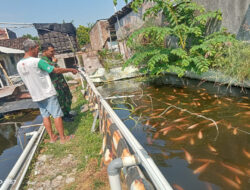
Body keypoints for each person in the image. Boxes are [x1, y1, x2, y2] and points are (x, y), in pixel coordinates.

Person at [17, 39, 77, 144]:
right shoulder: (37, 61)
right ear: (31, 48)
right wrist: (70, 70)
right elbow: (55, 70)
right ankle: (63, 138)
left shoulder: (19, 64)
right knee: (57, 115)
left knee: (45, 116)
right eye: (36, 49)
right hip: (47, 92)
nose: (37, 51)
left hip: (36, 95)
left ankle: (52, 137)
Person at [41, 43, 75, 122]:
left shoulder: (50, 59)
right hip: (55, 85)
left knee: (67, 97)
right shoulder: (43, 61)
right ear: (44, 51)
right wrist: (54, 62)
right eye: (51, 51)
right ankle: (63, 117)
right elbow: (55, 70)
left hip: (60, 82)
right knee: (61, 101)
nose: (53, 53)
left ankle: (67, 113)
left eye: (53, 51)